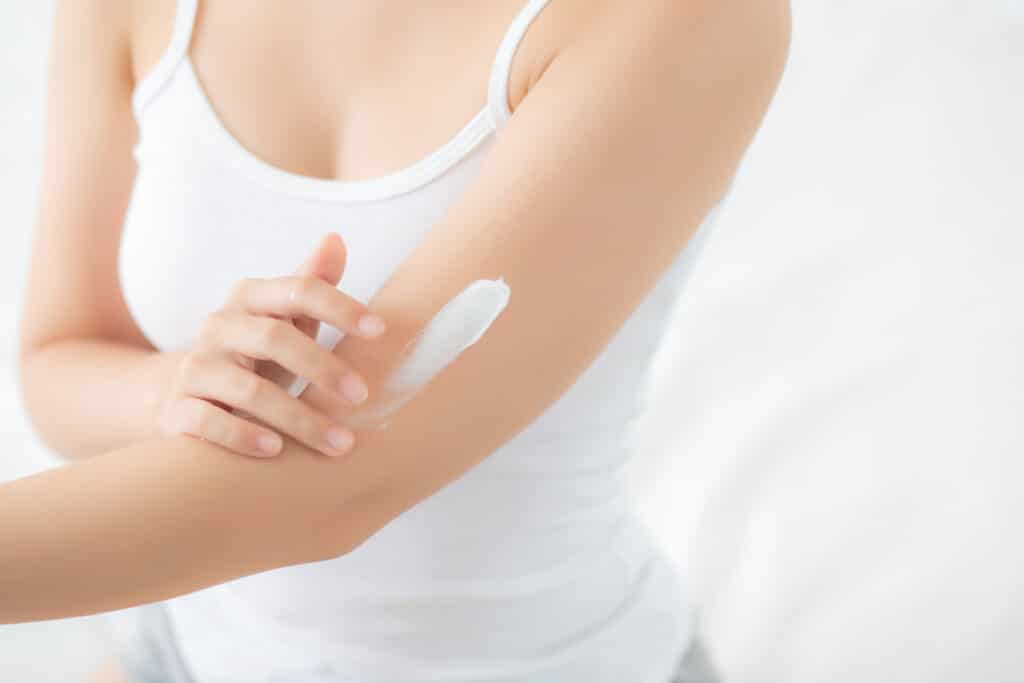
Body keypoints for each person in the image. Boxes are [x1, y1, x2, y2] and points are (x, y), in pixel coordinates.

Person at [9, 0, 791, 681]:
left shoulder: (687, 15)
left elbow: (331, 491)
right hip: (191, 657)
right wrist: (173, 390)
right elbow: (61, 357)